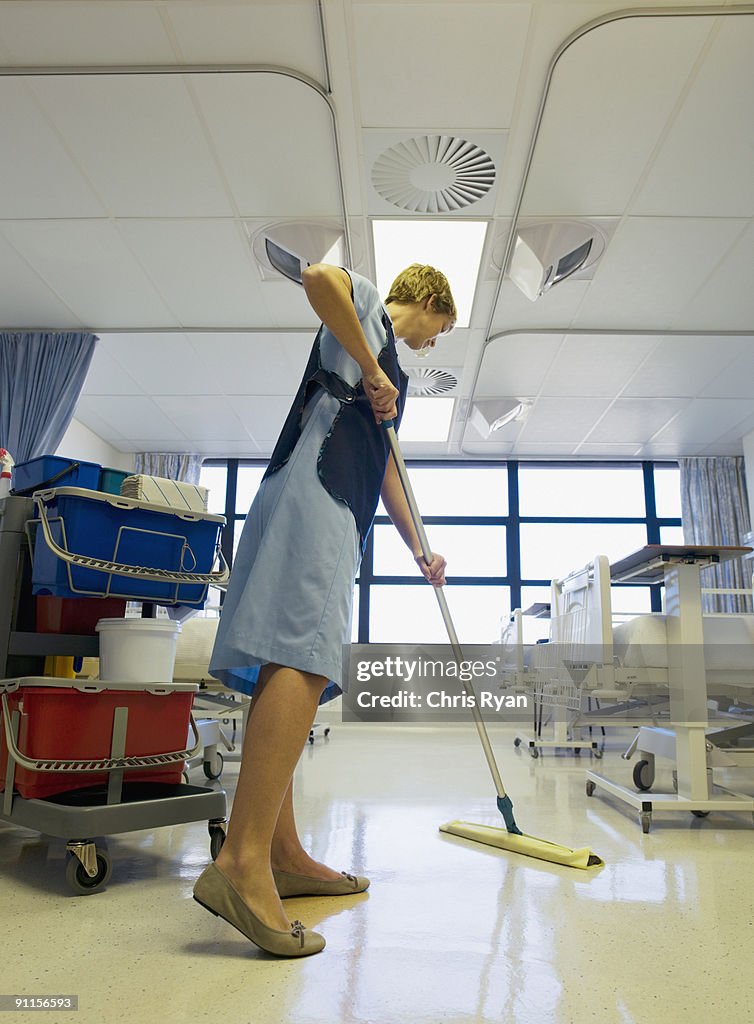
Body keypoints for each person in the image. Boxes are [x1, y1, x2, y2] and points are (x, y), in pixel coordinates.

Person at [193, 263, 457, 957]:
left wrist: (418, 547)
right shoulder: (367, 310)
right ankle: (243, 863)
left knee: (290, 654)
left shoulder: (385, 369)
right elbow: (317, 277)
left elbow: (388, 469)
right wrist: (373, 367)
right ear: (428, 303)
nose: (431, 347)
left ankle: (282, 853)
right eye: (439, 331)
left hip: (319, 497)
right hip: (319, 497)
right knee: (305, 659)